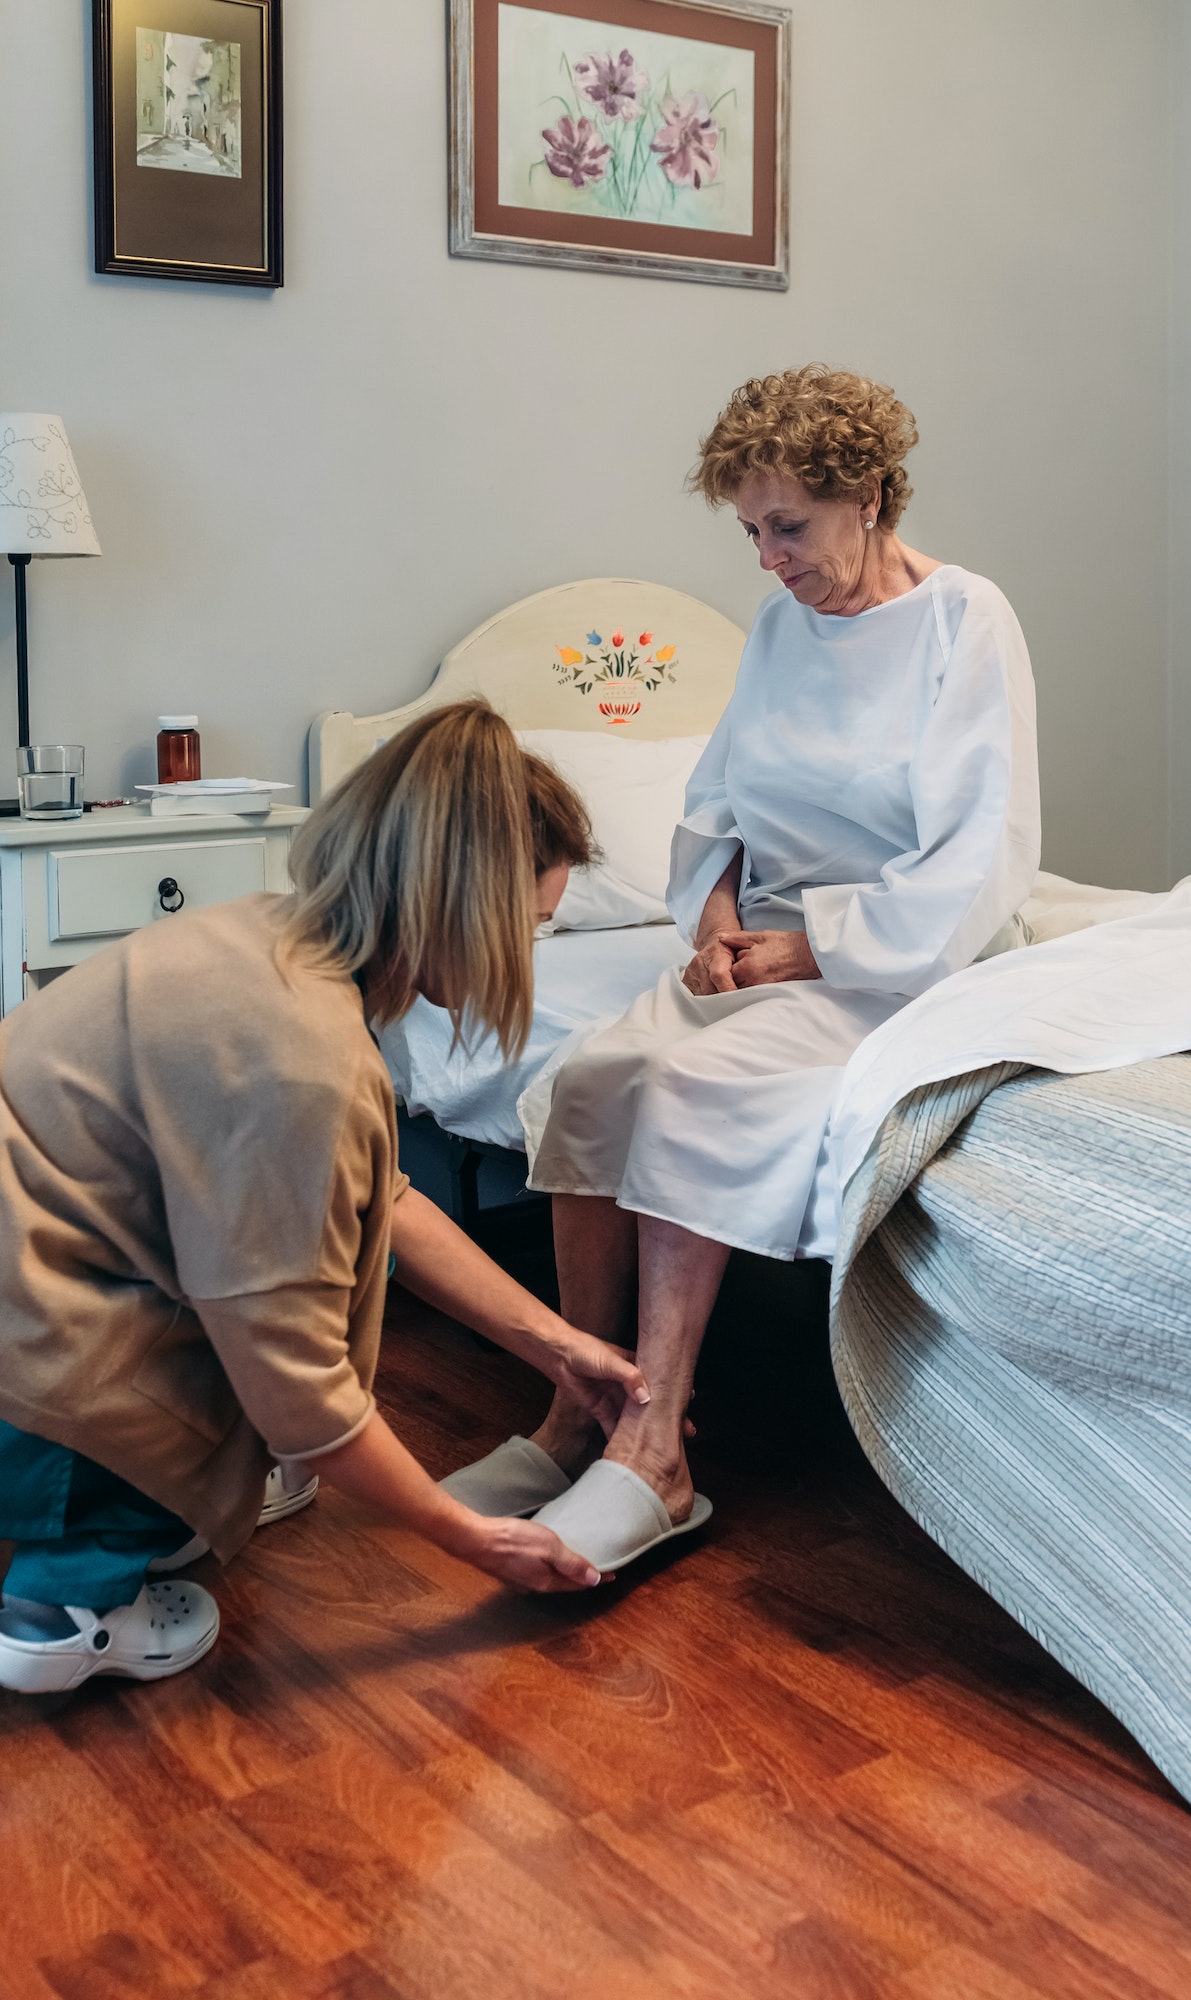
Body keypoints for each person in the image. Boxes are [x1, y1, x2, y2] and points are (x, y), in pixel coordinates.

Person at [446, 365, 1042, 1572]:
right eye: (750, 529)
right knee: (586, 1079)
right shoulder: (780, 623)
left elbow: (982, 850)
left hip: (889, 959)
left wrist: (809, 944)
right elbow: (719, 797)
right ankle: (581, 1409)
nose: (767, 557)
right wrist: (713, 914)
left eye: (789, 526)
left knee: (692, 1091)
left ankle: (657, 1450)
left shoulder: (963, 618)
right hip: (756, 941)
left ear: (867, 494)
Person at [0, 703, 649, 1696]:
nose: (527, 948)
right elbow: (297, 1387)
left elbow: (376, 1193)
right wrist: (472, 1539)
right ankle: (64, 1607)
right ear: (465, 899)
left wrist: (560, 1348)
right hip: (28, 1337)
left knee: (305, 1273)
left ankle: (134, 1509)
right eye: (530, 921)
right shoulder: (305, 1064)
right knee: (235, 1355)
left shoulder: (265, 938)